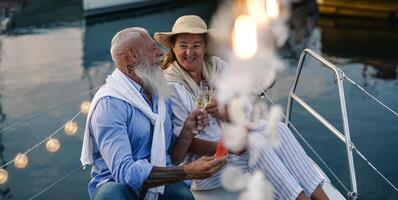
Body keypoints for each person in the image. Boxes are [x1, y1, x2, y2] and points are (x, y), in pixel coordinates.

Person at [154, 15, 329, 200]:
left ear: (205, 47)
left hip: (231, 138)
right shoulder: (170, 86)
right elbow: (183, 143)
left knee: (278, 129)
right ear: (173, 48)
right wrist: (231, 146)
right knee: (256, 146)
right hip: (204, 163)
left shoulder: (217, 67)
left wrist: (226, 111)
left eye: (196, 45)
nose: (190, 52)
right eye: (183, 45)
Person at [80, 27, 226, 200]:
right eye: (152, 48)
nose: (161, 53)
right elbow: (124, 172)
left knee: (183, 196)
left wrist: (187, 129)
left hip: (158, 180)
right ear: (132, 55)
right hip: (119, 186)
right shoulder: (110, 104)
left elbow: (172, 156)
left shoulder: (159, 94)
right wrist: (187, 171)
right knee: (110, 195)